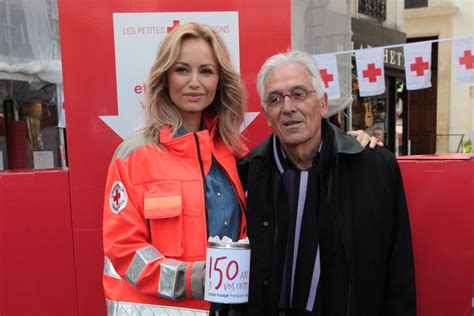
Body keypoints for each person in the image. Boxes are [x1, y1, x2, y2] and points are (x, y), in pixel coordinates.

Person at [238, 51, 416, 316]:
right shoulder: (249, 173)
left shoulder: (373, 168)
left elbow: (398, 273)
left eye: (299, 94)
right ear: (266, 114)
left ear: (322, 103)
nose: (288, 108)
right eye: (276, 99)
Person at [102, 22, 248, 315]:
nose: (194, 82)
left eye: (206, 71)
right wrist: (192, 280)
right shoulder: (134, 155)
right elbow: (124, 251)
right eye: (182, 69)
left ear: (220, 80)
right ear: (165, 77)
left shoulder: (235, 153)